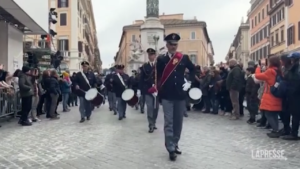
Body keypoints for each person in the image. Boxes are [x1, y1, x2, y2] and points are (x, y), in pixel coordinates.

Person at [156, 33, 195, 161]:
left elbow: (194, 70)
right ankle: (170, 147)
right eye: (171, 44)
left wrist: (189, 82)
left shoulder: (183, 58)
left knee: (178, 122)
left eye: (175, 44)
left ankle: (176, 142)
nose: (173, 47)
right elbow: (158, 77)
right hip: (167, 95)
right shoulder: (161, 60)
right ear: (167, 45)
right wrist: (158, 91)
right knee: (169, 122)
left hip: (180, 95)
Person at [138, 48, 159, 133]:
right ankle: (150, 125)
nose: (151, 56)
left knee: (156, 108)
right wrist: (139, 90)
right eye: (149, 55)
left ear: (155, 55)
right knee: (150, 107)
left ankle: (154, 122)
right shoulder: (144, 67)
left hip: (157, 91)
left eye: (152, 55)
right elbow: (141, 79)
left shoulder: (158, 66)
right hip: (148, 91)